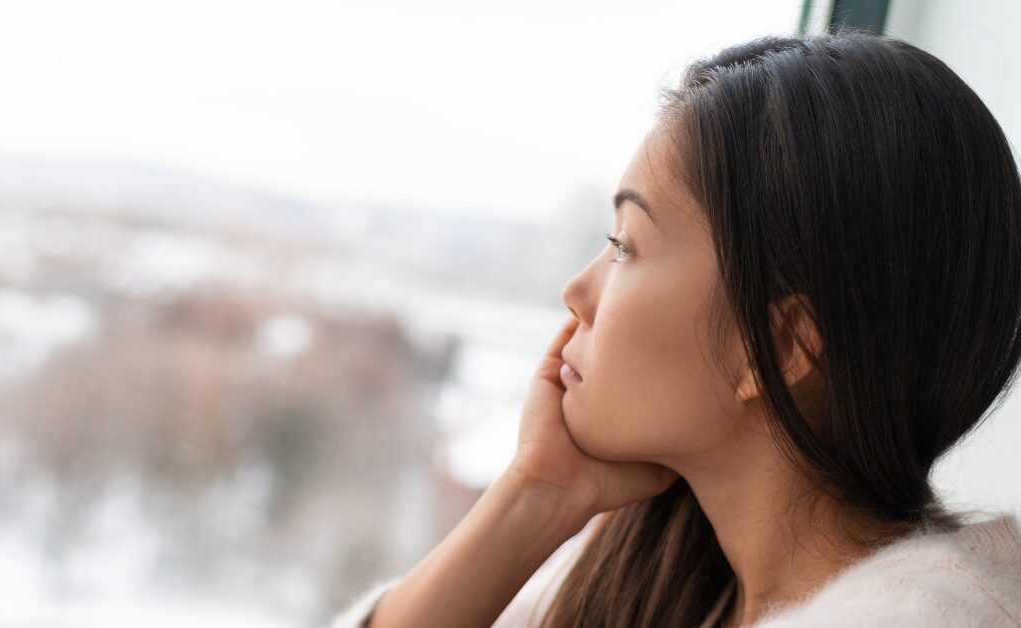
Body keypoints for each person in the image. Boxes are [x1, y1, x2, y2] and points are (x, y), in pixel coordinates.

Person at [329, 27, 1021, 628]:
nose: (577, 290)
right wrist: (536, 493)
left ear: (777, 347)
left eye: (626, 244)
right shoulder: (671, 572)